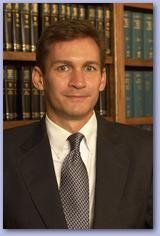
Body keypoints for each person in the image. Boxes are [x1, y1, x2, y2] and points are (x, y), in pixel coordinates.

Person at [4, 19, 153, 229]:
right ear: (39, 79)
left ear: (102, 79)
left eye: (89, 68)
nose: (78, 82)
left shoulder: (147, 151)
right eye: (64, 67)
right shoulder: (5, 153)